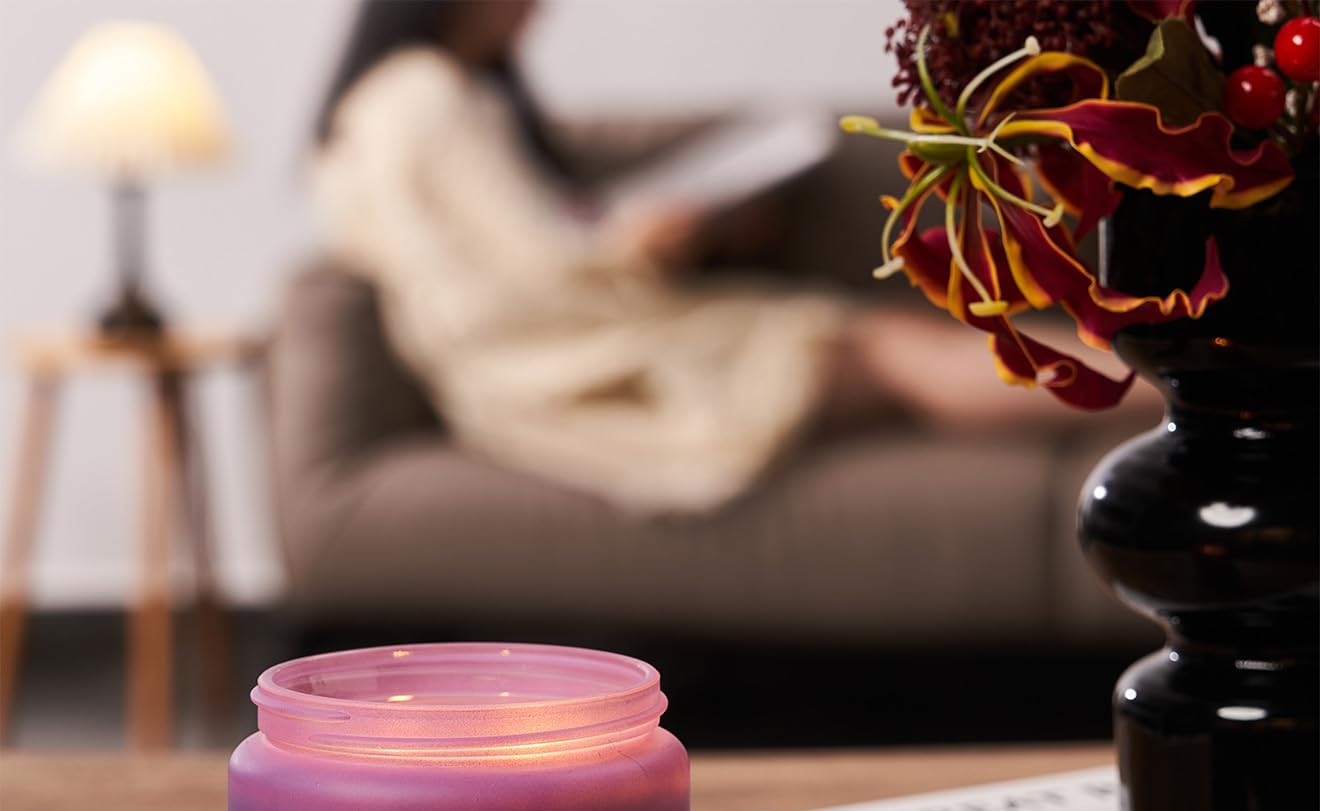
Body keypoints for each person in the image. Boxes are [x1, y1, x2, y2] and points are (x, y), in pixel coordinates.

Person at [309, 0, 1084, 515]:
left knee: (887, 343)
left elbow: (521, 237)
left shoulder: (430, 97)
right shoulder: (424, 98)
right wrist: (632, 247)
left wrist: (659, 237)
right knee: (893, 350)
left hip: (576, 330)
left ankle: (1161, 385)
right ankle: (1169, 388)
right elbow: (522, 270)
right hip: (563, 356)